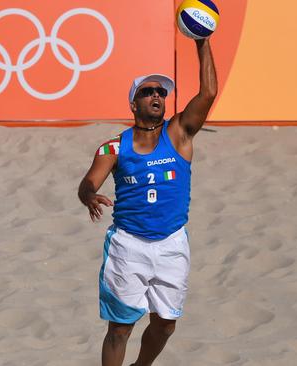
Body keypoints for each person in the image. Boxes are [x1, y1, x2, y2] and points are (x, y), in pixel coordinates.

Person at [77, 36, 217, 366]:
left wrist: (202, 42)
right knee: (120, 328)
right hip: (129, 244)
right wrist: (87, 196)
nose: (156, 95)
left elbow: (208, 93)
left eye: (161, 92)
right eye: (147, 91)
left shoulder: (180, 133)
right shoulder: (113, 147)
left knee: (166, 325)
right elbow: (88, 181)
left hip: (171, 242)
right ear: (133, 104)